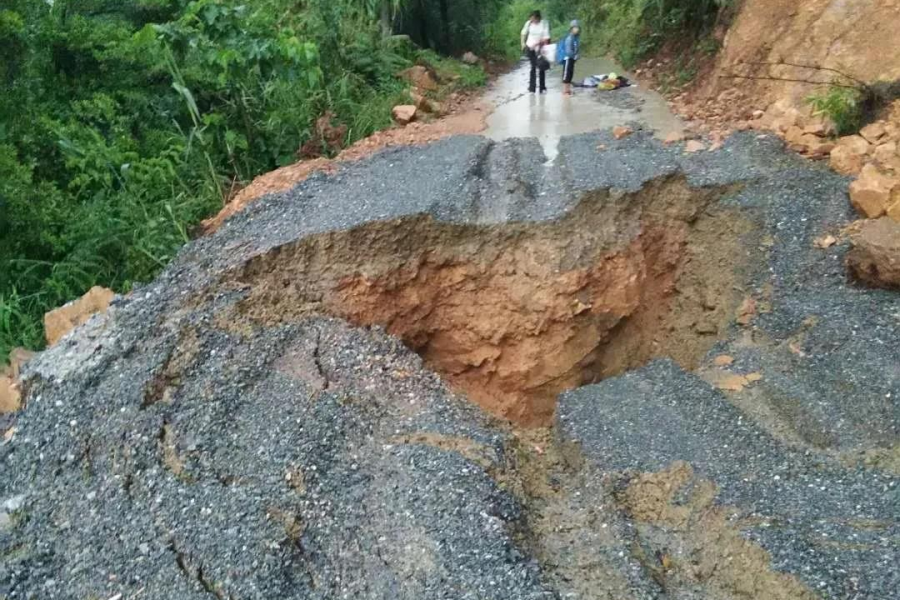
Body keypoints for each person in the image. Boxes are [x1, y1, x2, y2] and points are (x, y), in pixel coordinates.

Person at [520, 10, 550, 93]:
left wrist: (538, 44)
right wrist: (522, 43)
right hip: (530, 47)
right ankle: (532, 87)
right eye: (531, 19)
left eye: (534, 19)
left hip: (541, 47)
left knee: (541, 66)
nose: (532, 20)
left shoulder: (544, 24)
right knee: (533, 66)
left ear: (538, 18)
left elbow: (546, 38)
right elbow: (523, 33)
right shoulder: (528, 23)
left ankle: (542, 87)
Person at [561, 20, 581, 96]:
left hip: (572, 59)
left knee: (570, 74)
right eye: (575, 28)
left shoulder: (576, 38)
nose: (577, 29)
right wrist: (574, 56)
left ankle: (568, 90)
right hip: (568, 59)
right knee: (566, 74)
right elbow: (568, 51)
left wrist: (577, 55)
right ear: (571, 28)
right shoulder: (569, 38)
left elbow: (577, 48)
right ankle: (565, 91)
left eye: (578, 28)